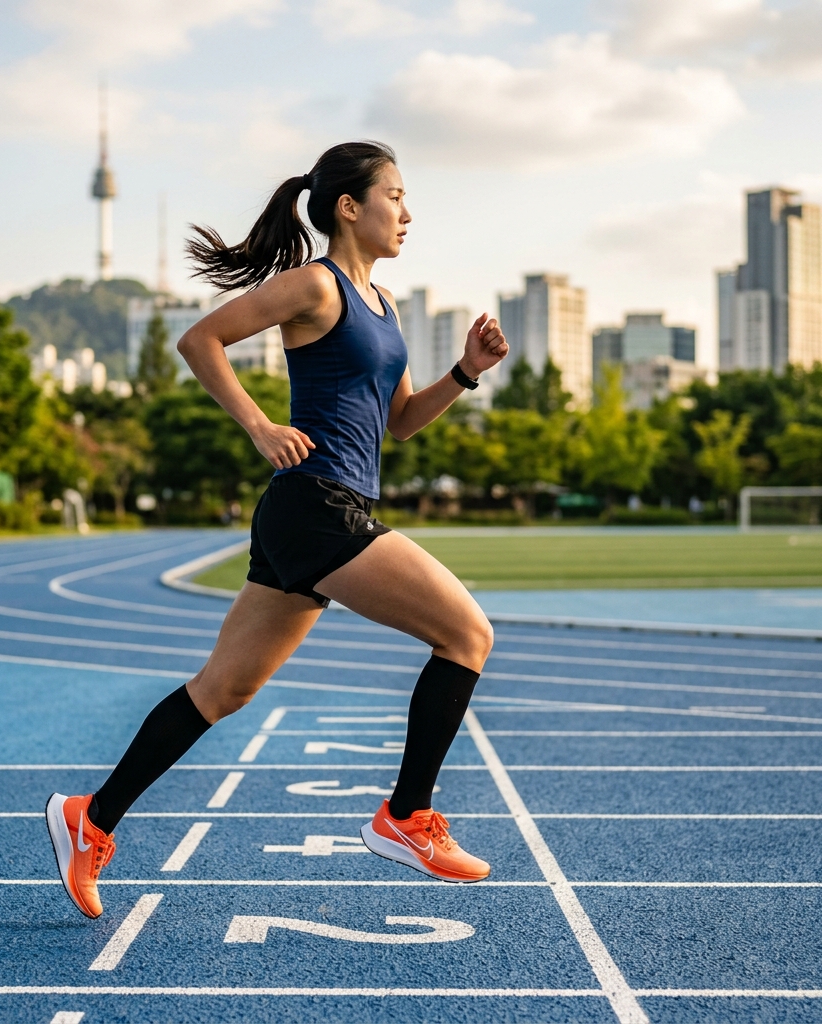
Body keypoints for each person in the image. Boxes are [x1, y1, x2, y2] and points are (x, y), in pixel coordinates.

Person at [46, 141, 509, 919]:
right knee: (467, 634)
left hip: (319, 511)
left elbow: (399, 423)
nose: (407, 212)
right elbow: (199, 339)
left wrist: (465, 373)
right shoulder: (314, 285)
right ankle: (407, 816)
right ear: (349, 207)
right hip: (318, 506)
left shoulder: (386, 306)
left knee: (222, 690)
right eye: (395, 196)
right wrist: (260, 425)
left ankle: (90, 818)